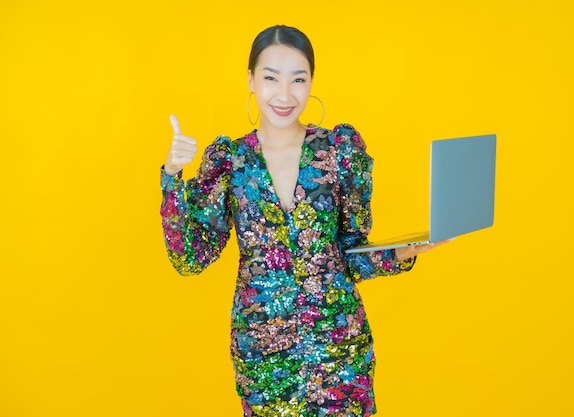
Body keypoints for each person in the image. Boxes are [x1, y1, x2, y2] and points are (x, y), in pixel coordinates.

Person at [160, 25, 450, 417]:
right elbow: (190, 258)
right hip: (264, 353)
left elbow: (349, 253)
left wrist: (401, 252)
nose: (284, 94)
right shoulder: (229, 161)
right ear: (250, 80)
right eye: (270, 78)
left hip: (338, 348)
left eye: (298, 79)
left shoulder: (339, 152)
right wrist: (173, 176)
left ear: (312, 81)